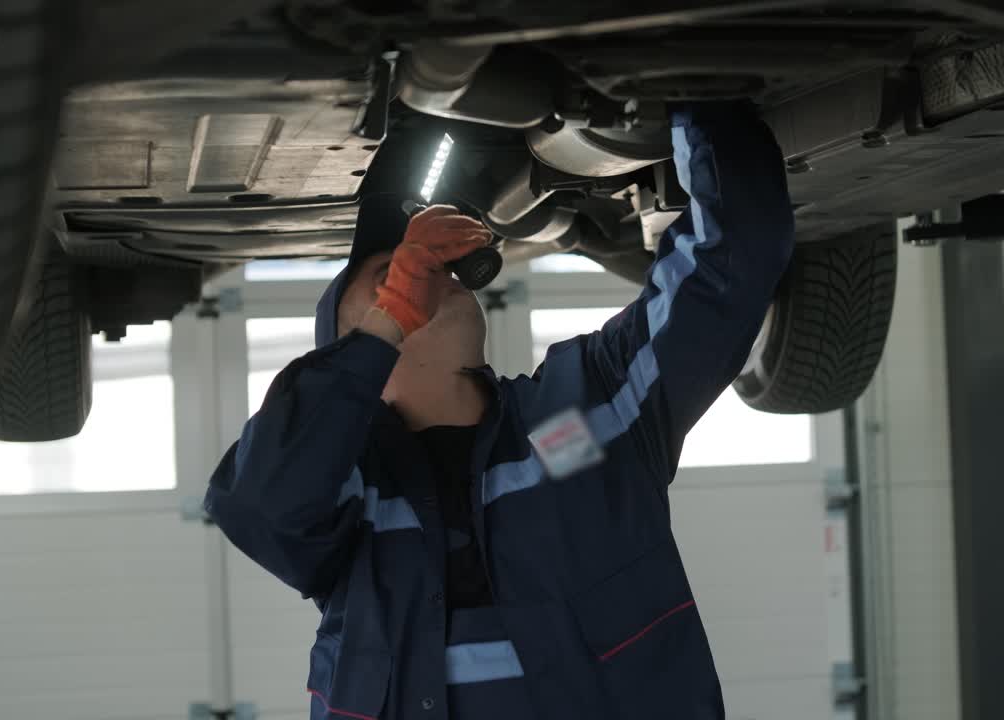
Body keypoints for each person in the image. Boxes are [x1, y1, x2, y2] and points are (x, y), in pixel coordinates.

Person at [204, 103, 795, 720]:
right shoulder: (351, 498)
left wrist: (684, 86)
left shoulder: (592, 407)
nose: (430, 278)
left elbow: (730, 262)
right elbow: (257, 503)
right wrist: (390, 322)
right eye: (393, 276)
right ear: (359, 364)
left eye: (427, 269)